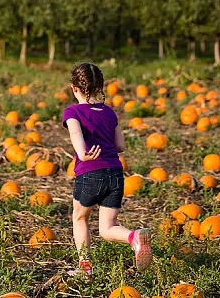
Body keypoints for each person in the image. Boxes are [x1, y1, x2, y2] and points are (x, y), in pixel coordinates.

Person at [62, 62, 152, 278]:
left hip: (90, 173)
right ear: (100, 87)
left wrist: (83, 153)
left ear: (74, 88)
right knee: (107, 228)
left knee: (80, 218)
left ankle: (85, 269)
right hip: (115, 174)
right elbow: (120, 146)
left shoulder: (72, 111)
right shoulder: (109, 112)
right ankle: (133, 237)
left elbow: (75, 134)